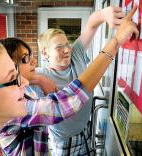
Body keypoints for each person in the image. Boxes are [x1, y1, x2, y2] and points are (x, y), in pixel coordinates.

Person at [0, 6, 138, 156]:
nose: (25, 82)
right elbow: (65, 103)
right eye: (13, 78)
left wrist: (38, 78)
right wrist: (116, 41)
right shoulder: (8, 119)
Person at [36, 6, 136, 155]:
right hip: (64, 141)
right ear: (45, 52)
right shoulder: (40, 75)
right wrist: (36, 78)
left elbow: (92, 24)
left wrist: (104, 14)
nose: (67, 50)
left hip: (86, 130)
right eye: (59, 47)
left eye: (67, 44)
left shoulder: (75, 54)